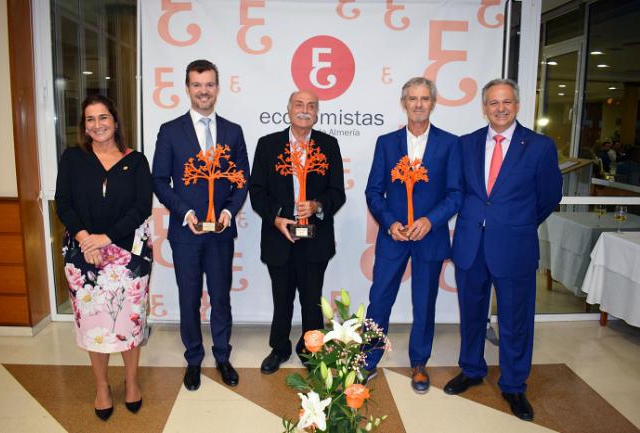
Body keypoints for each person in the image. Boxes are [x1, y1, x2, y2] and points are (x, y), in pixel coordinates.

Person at [445, 79, 562, 421]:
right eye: (493, 103)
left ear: (517, 105)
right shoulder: (465, 144)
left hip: (514, 247)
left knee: (515, 320)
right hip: (470, 246)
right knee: (472, 315)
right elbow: (458, 190)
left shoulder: (539, 146)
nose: (500, 108)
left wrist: (515, 222)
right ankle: (471, 369)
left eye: (506, 102)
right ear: (484, 107)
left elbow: (548, 196)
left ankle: (513, 385)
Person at [152, 59, 250, 390]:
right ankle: (193, 359)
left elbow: (242, 180)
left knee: (221, 298)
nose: (203, 91)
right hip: (186, 233)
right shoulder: (170, 131)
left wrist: (228, 212)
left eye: (209, 84)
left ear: (217, 88)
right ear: (187, 88)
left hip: (221, 232)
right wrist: (185, 213)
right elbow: (160, 180)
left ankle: (222, 356)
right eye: (197, 85)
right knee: (189, 298)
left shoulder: (234, 132)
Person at [55, 94, 152, 421]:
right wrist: (86, 239)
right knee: (95, 324)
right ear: (85, 126)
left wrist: (106, 238)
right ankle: (101, 387)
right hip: (83, 257)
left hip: (128, 256)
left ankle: (131, 382)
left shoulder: (135, 160)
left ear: (115, 121)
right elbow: (64, 203)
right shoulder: (73, 158)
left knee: (128, 322)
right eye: (90, 120)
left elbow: (142, 207)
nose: (97, 125)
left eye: (103, 118)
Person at [364, 77, 462, 393]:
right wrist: (390, 222)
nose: (418, 104)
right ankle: (366, 360)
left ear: (433, 103)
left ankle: (419, 363)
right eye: (412, 98)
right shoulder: (386, 143)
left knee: (424, 304)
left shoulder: (450, 144)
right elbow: (374, 191)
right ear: (403, 102)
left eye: (424, 98)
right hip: (393, 237)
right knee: (379, 299)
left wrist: (430, 221)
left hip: (429, 238)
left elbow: (455, 193)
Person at [249, 89, 346, 374]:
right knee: (282, 298)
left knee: (312, 300)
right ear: (289, 109)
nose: (305, 110)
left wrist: (317, 205)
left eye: (311, 106)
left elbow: (337, 193)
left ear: (317, 113)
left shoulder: (329, 145)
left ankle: (311, 350)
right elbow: (256, 192)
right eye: (299, 104)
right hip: (279, 236)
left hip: (315, 237)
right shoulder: (268, 145)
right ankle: (279, 348)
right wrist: (277, 218)